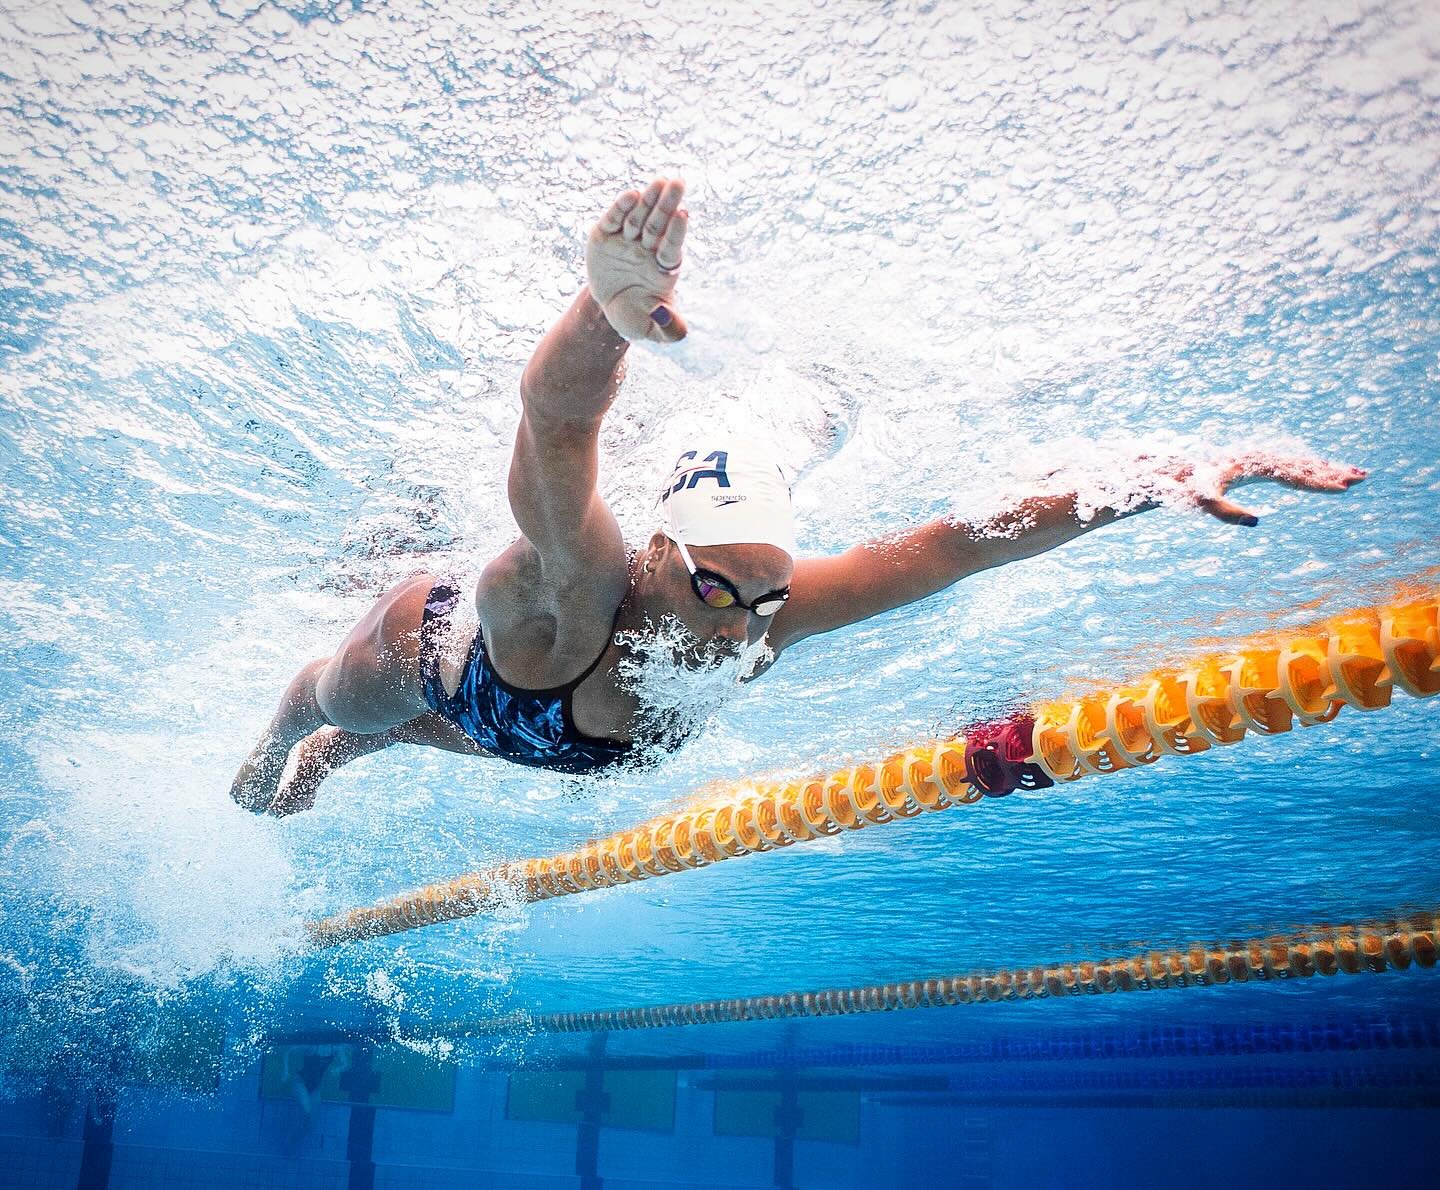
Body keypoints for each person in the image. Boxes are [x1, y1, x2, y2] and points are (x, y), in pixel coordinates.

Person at [230, 177, 1367, 816]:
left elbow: (958, 546)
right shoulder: (580, 585)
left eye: (769, 593)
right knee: (335, 705)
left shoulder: (768, 599)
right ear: (663, 552)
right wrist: (603, 314)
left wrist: (1157, 479)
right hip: (447, 661)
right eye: (725, 584)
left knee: (397, 747)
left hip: (563, 742)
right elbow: (556, 429)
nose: (747, 619)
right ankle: (288, 739)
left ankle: (337, 758)